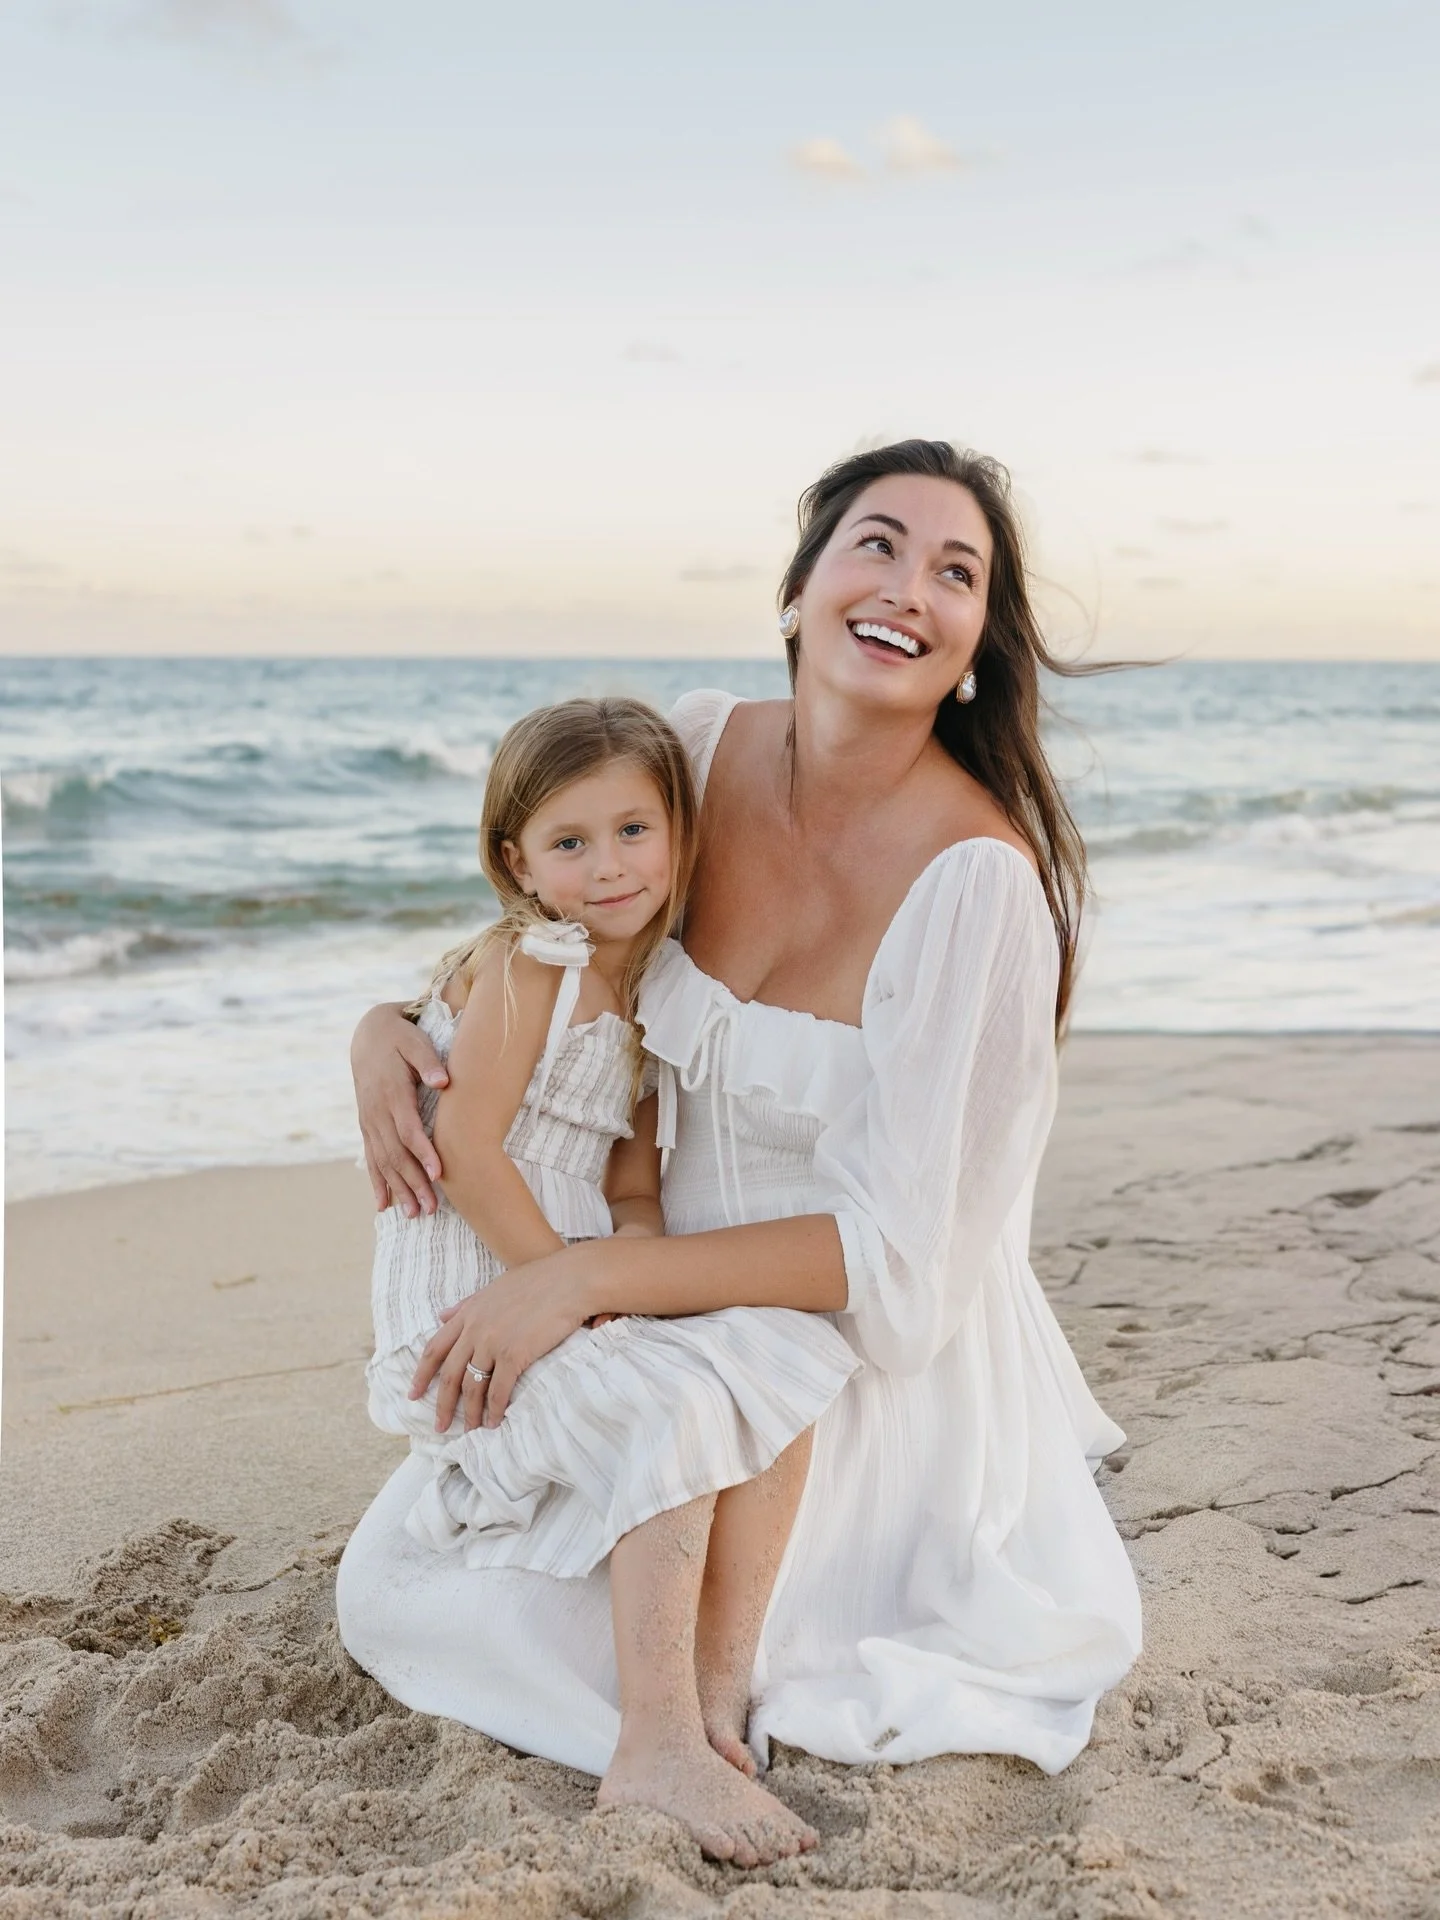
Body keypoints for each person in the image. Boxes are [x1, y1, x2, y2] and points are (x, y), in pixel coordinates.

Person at [340, 439, 1143, 1871]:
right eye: (877, 546)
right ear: (799, 590)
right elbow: (562, 936)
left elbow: (899, 1269)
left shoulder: (980, 890)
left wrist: (591, 1279)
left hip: (853, 1336)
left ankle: (698, 1719)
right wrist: (387, 1027)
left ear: (973, 646)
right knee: (413, 1579)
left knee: (617, 1604)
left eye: (958, 573)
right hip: (633, 1270)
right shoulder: (699, 748)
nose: (908, 588)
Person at [364, 696, 856, 1858]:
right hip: (473, 1292)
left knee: (788, 1356)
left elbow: (634, 1187)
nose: (609, 866)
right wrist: (564, 1293)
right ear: (517, 865)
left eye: (635, 831)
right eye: (571, 844)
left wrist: (621, 1287)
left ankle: (720, 1686)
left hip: (573, 1279)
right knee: (671, 1404)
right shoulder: (526, 969)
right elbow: (473, 1153)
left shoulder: (644, 994)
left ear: (679, 834)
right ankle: (655, 1740)